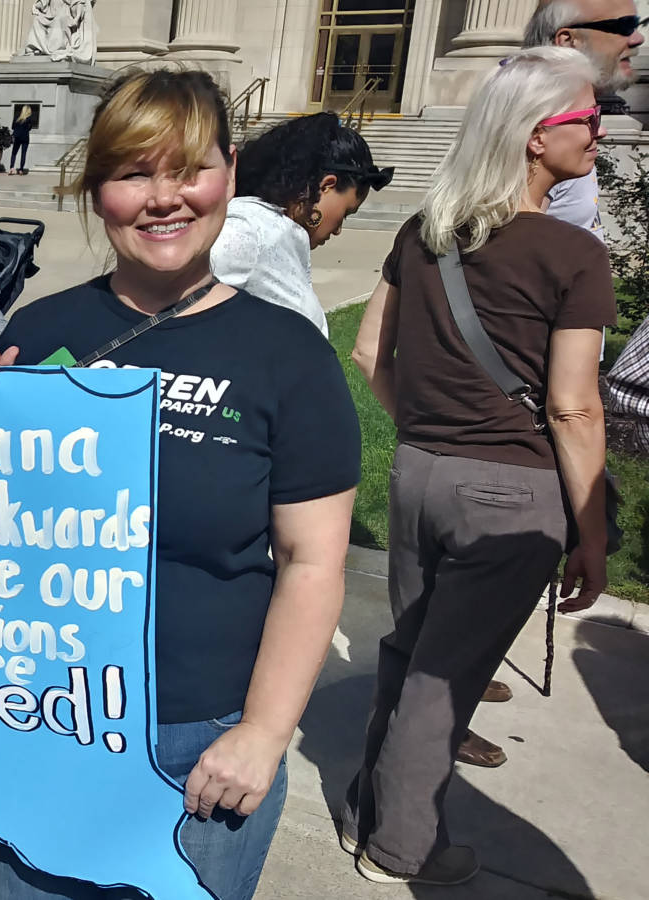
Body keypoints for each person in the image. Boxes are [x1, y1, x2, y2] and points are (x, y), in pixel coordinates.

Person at [0, 69, 361, 900]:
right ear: (97, 193)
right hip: (46, 723)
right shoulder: (42, 333)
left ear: (229, 175)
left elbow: (313, 565)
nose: (164, 199)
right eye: (133, 173)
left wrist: (264, 735)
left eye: (187, 170)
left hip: (199, 743)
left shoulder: (287, 355)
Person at [344, 46, 613, 887]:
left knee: (409, 650)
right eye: (589, 119)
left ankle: (366, 807)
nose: (602, 130)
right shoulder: (573, 255)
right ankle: (403, 847)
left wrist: (427, 431)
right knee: (443, 677)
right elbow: (574, 407)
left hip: (420, 472)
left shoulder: (423, 232)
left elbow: (364, 351)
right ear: (538, 136)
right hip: (511, 493)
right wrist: (592, 533)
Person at [210, 111, 392, 336]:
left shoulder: (279, 232)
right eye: (345, 213)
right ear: (326, 185)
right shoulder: (247, 232)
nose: (338, 230)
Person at [522, 0, 644, 240]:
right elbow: (510, 250)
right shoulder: (550, 130)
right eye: (624, 25)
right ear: (568, 40)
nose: (637, 38)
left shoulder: (565, 126)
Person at [10, 104, 35, 175]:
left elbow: (12, 127)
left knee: (14, 153)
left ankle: (11, 168)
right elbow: (29, 128)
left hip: (17, 137)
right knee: (23, 154)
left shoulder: (16, 117)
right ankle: (21, 170)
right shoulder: (29, 119)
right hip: (25, 138)